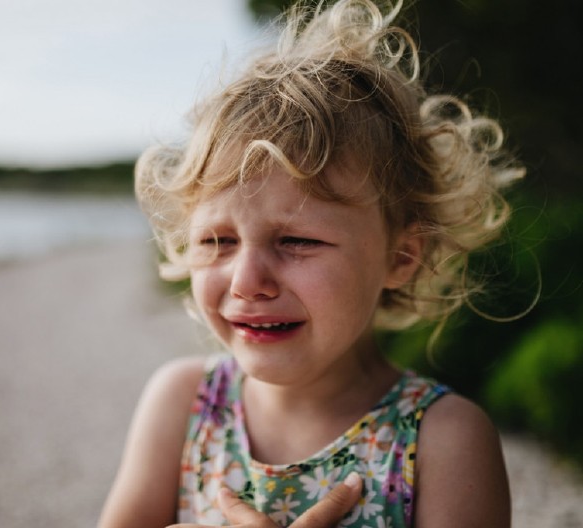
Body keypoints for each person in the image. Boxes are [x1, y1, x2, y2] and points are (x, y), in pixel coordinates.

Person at [99, 0, 523, 526]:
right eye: (217, 241)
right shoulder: (183, 404)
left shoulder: (444, 439)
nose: (248, 281)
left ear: (402, 256)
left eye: (297, 240)